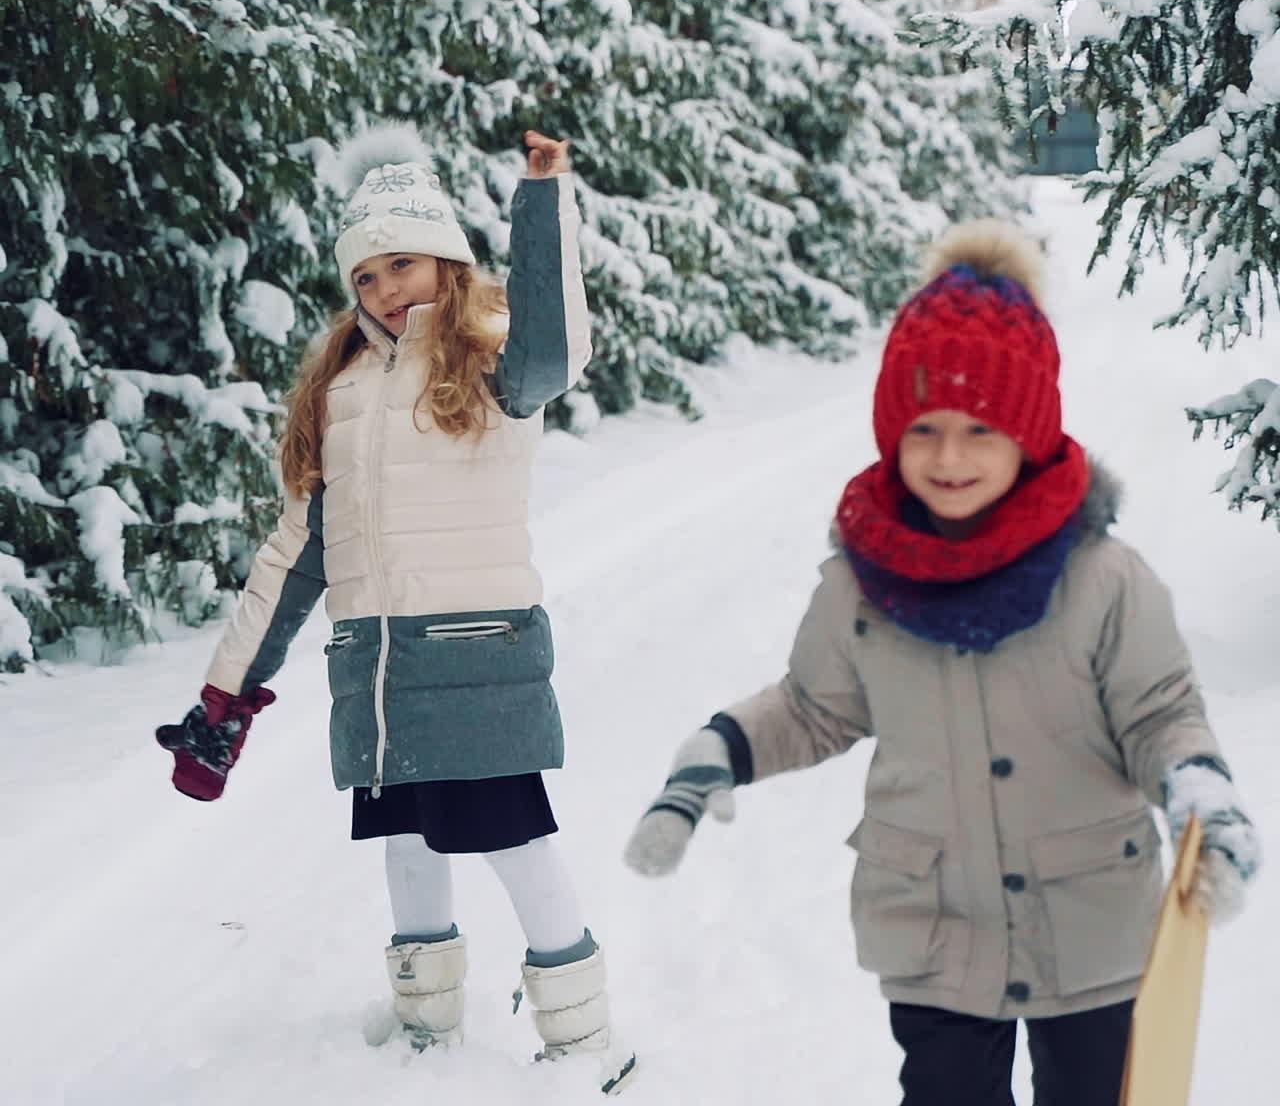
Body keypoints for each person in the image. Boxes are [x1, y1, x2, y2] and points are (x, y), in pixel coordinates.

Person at [624, 220, 1261, 1106]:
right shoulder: (862, 580)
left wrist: (1202, 794)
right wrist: (719, 748)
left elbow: (1160, 715)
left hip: (1091, 927)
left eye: (979, 429)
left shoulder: (1104, 578)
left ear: (1029, 431)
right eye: (923, 428)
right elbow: (815, 708)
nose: (949, 457)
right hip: (936, 933)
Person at [157, 124, 635, 1093]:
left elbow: (559, 343)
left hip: (475, 656)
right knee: (406, 837)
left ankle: (587, 1039)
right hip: (375, 668)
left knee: (511, 837)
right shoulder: (341, 387)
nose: (384, 290)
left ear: (446, 257)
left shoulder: (494, 356)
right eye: (366, 275)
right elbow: (297, 554)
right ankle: (426, 1026)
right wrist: (225, 695)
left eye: (402, 263)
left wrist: (542, 202)